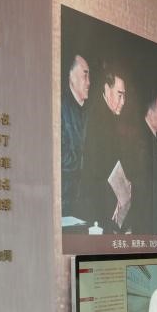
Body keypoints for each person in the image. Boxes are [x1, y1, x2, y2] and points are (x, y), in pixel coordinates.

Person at [82, 63, 129, 231]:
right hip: (99, 207)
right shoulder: (97, 117)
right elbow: (95, 171)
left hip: (109, 203)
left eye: (124, 96)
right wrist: (114, 198)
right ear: (107, 90)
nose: (123, 102)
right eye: (119, 95)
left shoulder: (109, 116)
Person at [126, 92, 157, 235]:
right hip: (145, 221)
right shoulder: (142, 141)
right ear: (150, 113)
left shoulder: (151, 138)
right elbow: (146, 186)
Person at [60, 54, 90, 219]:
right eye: (85, 76)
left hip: (83, 204)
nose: (89, 82)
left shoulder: (87, 110)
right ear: (71, 76)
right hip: (66, 205)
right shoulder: (61, 107)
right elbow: (60, 157)